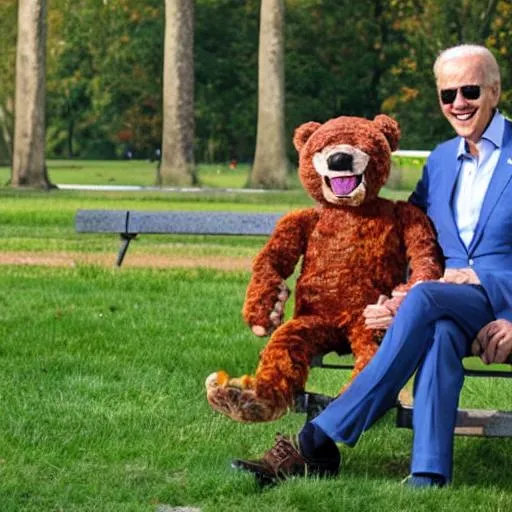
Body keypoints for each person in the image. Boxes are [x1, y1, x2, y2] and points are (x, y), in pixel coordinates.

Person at [231, 44, 512, 488]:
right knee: (437, 332)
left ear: (495, 91)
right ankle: (428, 474)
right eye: (447, 94)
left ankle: (316, 439)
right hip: (445, 302)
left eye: (471, 90)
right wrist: (394, 296)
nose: (459, 103)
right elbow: (413, 241)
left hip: (497, 300)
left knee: (424, 297)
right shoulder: (440, 161)